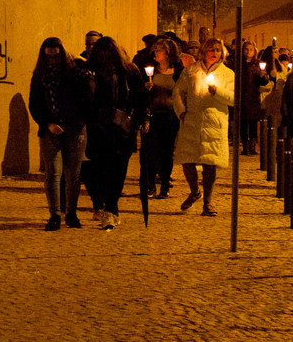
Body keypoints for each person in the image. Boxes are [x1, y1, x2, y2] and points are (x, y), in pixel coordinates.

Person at [29, 36, 91, 230]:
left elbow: (86, 98)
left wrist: (76, 120)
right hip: (50, 130)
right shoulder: (40, 75)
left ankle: (71, 213)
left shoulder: (74, 72)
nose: (52, 61)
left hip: (74, 128)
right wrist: (47, 123)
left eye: (56, 57)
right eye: (49, 57)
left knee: (73, 174)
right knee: (53, 173)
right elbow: (35, 103)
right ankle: (55, 214)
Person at [85, 36, 147, 230]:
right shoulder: (91, 73)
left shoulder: (129, 73)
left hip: (122, 130)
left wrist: (142, 119)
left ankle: (110, 209)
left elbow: (140, 98)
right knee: (102, 172)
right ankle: (109, 208)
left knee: (118, 171)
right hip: (100, 129)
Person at [173, 39, 235, 216]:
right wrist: (182, 111)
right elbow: (178, 91)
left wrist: (218, 92)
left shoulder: (227, 74)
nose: (213, 52)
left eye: (217, 50)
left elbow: (233, 98)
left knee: (210, 164)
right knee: (187, 160)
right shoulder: (191, 70)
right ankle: (195, 192)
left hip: (214, 122)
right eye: (210, 49)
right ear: (203, 51)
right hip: (192, 120)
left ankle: (208, 202)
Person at [141, 37, 184, 199]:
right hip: (152, 115)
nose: (155, 53)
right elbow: (141, 92)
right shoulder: (151, 71)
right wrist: (146, 88)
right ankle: (150, 185)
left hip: (169, 117)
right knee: (150, 151)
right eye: (155, 50)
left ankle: (164, 186)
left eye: (159, 50)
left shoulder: (177, 72)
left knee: (166, 152)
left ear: (168, 53)